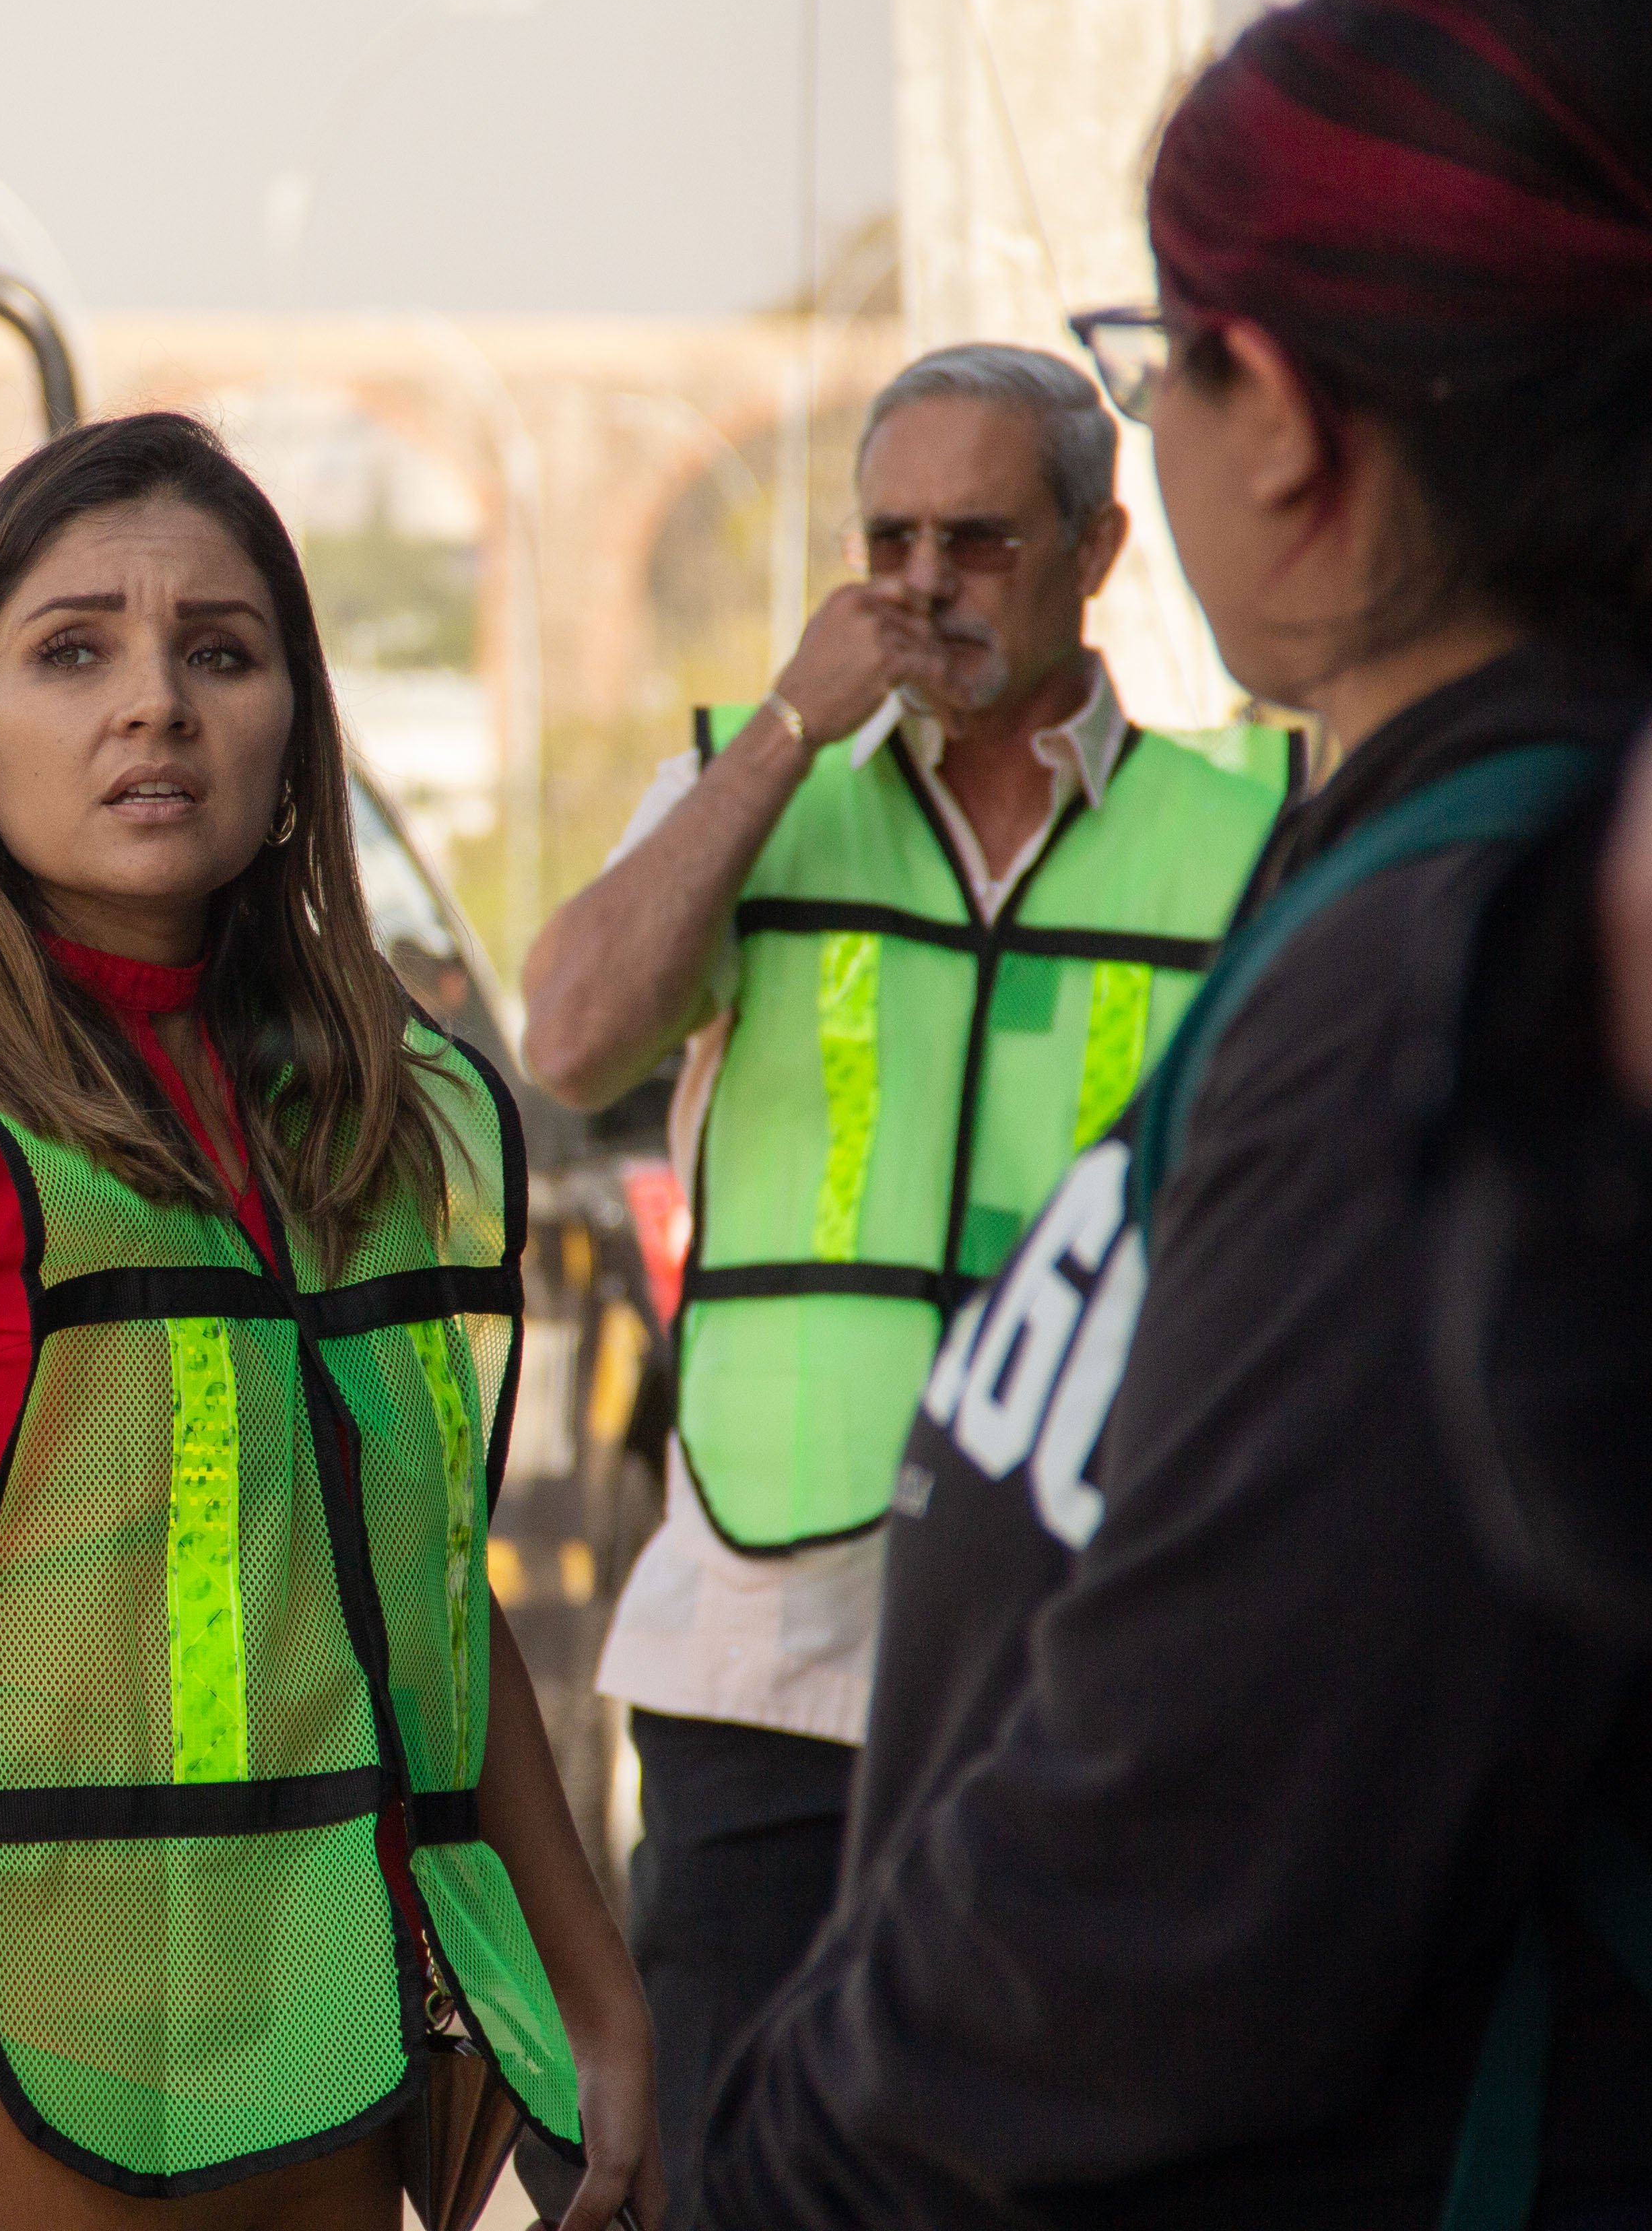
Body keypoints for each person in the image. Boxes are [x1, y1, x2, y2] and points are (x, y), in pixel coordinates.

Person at [707, 0, 1652, 2222]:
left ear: (1292, 427)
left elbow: (1176, 1858)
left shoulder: (1453, 962)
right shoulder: (1406, 854)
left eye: (1161, 362)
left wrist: (788, 2157)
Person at [0, 411, 659, 2231]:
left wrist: (600, 1993)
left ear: (293, 730)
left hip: (318, 2054)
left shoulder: (359, 1107)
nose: (157, 703)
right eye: (74, 649)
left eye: (222, 652)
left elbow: (420, 1590)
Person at [514, 343, 1290, 2217]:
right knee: (733, 2175)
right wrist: (785, 732)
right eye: (888, 538)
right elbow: (573, 1032)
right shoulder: (750, 787)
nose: (923, 582)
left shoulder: (1245, 832)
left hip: (1088, 1663)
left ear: (1099, 550)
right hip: (766, 1657)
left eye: (976, 539)